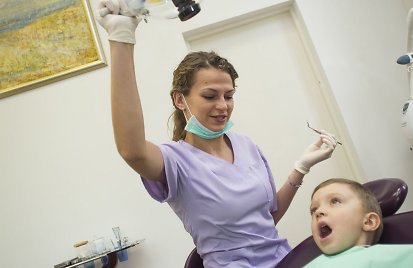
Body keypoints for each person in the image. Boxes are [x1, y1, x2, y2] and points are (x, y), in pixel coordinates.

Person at [95, 1, 339, 267]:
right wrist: (121, 38)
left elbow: (265, 222)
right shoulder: (175, 162)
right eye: (210, 96)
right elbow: (132, 149)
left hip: (284, 259)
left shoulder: (245, 145)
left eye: (229, 96)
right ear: (179, 100)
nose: (223, 106)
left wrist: (301, 167)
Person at [304, 178, 413, 267]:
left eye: (335, 201)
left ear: (369, 222)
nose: (318, 212)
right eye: (313, 209)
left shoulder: (386, 259)